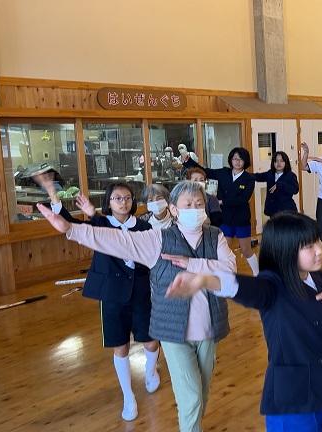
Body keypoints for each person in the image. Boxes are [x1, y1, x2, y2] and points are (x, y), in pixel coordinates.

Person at [37, 181, 237, 432]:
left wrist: (191, 264)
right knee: (192, 396)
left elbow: (229, 270)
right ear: (174, 209)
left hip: (208, 328)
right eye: (188, 204)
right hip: (173, 330)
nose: (195, 209)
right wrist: (71, 229)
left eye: (199, 204)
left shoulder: (215, 236)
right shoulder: (158, 238)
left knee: (201, 393)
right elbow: (117, 240)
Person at [163, 212, 322, 432]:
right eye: (308, 246)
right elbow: (245, 287)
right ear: (285, 251)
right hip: (293, 399)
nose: (319, 250)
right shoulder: (273, 285)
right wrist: (206, 280)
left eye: (317, 241)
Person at [38, 178, 160, 422]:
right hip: (112, 295)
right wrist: (53, 194)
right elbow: (69, 224)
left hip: (141, 292)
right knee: (120, 345)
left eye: (127, 198)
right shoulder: (100, 223)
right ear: (109, 202)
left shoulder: (144, 227)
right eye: (117, 198)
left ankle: (150, 371)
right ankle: (128, 396)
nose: (123, 203)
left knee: (150, 341)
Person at [183, 147, 258, 275]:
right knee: (225, 250)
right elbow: (206, 171)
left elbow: (243, 199)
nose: (237, 162)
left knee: (246, 250)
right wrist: (188, 161)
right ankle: (228, 276)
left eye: (240, 159)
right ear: (231, 160)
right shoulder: (224, 172)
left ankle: (258, 274)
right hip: (225, 218)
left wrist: (222, 202)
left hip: (241, 218)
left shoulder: (249, 178)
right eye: (235, 159)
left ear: (245, 161)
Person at [253, 151, 299, 219]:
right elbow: (258, 176)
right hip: (273, 210)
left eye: (281, 161)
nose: (278, 163)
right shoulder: (270, 173)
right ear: (273, 163)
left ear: (286, 162)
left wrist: (280, 185)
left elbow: (295, 190)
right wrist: (245, 175)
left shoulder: (291, 175)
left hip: (287, 210)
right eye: (276, 161)